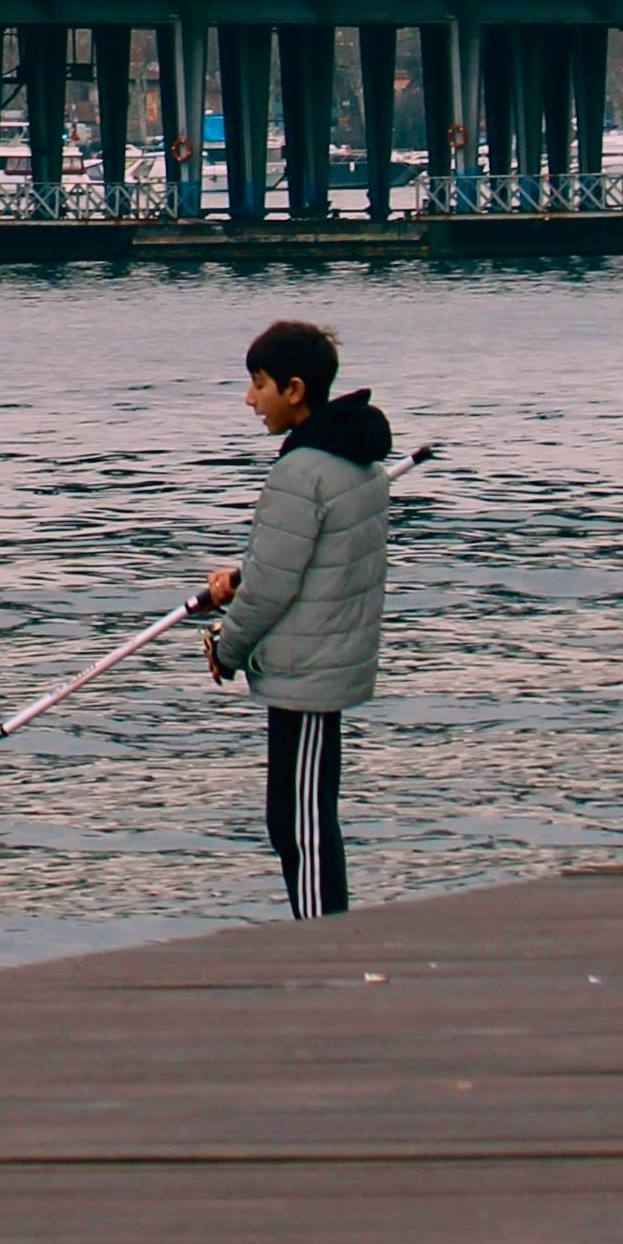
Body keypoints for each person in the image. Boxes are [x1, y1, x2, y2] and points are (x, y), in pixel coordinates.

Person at [201, 315, 392, 919]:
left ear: (295, 389)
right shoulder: (353, 461)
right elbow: (302, 563)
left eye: (259, 383)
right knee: (293, 813)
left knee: (301, 821)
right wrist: (242, 580)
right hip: (322, 660)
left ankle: (324, 945)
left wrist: (226, 650)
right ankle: (319, 932)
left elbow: (275, 588)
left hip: (308, 670)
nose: (250, 399)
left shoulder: (299, 471)